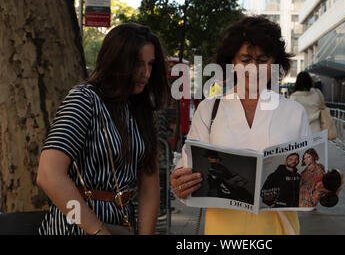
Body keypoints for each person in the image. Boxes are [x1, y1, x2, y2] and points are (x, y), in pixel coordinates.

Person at [170, 15, 312, 235]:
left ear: (274, 63)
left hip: (278, 229)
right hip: (224, 231)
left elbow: (307, 181)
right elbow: (187, 166)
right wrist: (180, 181)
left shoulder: (294, 112)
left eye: (263, 60)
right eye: (245, 60)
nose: (254, 69)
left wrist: (324, 184)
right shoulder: (209, 110)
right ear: (232, 63)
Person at [37, 23, 170, 235]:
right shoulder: (83, 99)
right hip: (76, 225)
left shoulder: (141, 111)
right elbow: (48, 174)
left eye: (151, 64)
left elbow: (149, 187)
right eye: (137, 64)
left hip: (122, 223)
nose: (146, 73)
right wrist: (97, 231)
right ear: (116, 62)